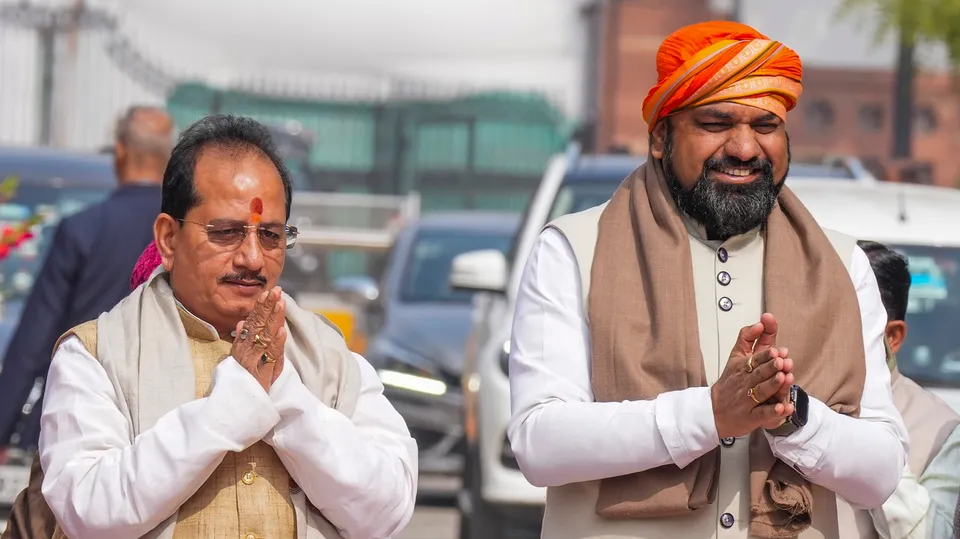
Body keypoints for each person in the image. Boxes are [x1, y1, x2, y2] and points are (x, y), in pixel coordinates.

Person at [507, 21, 908, 539]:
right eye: (716, 123)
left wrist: (793, 415)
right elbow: (540, 445)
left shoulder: (842, 264)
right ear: (659, 137)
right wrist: (708, 413)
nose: (744, 148)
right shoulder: (574, 250)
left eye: (766, 125)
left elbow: (882, 473)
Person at [36, 115, 417, 539]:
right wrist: (228, 409)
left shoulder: (327, 354)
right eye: (227, 232)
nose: (253, 258)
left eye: (270, 235)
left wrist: (285, 398)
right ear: (168, 238)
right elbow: (90, 511)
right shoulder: (96, 355)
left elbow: (388, 509)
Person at [0, 105, 174, 453]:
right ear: (168, 158)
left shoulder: (82, 229)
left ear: (120, 151)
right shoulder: (187, 233)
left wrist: (3, 428)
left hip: (80, 414)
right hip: (163, 418)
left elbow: (35, 340)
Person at [841, 240, 960, 539]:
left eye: (841, 319)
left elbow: (937, 534)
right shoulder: (783, 399)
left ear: (892, 337)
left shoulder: (941, 431)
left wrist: (869, 443)